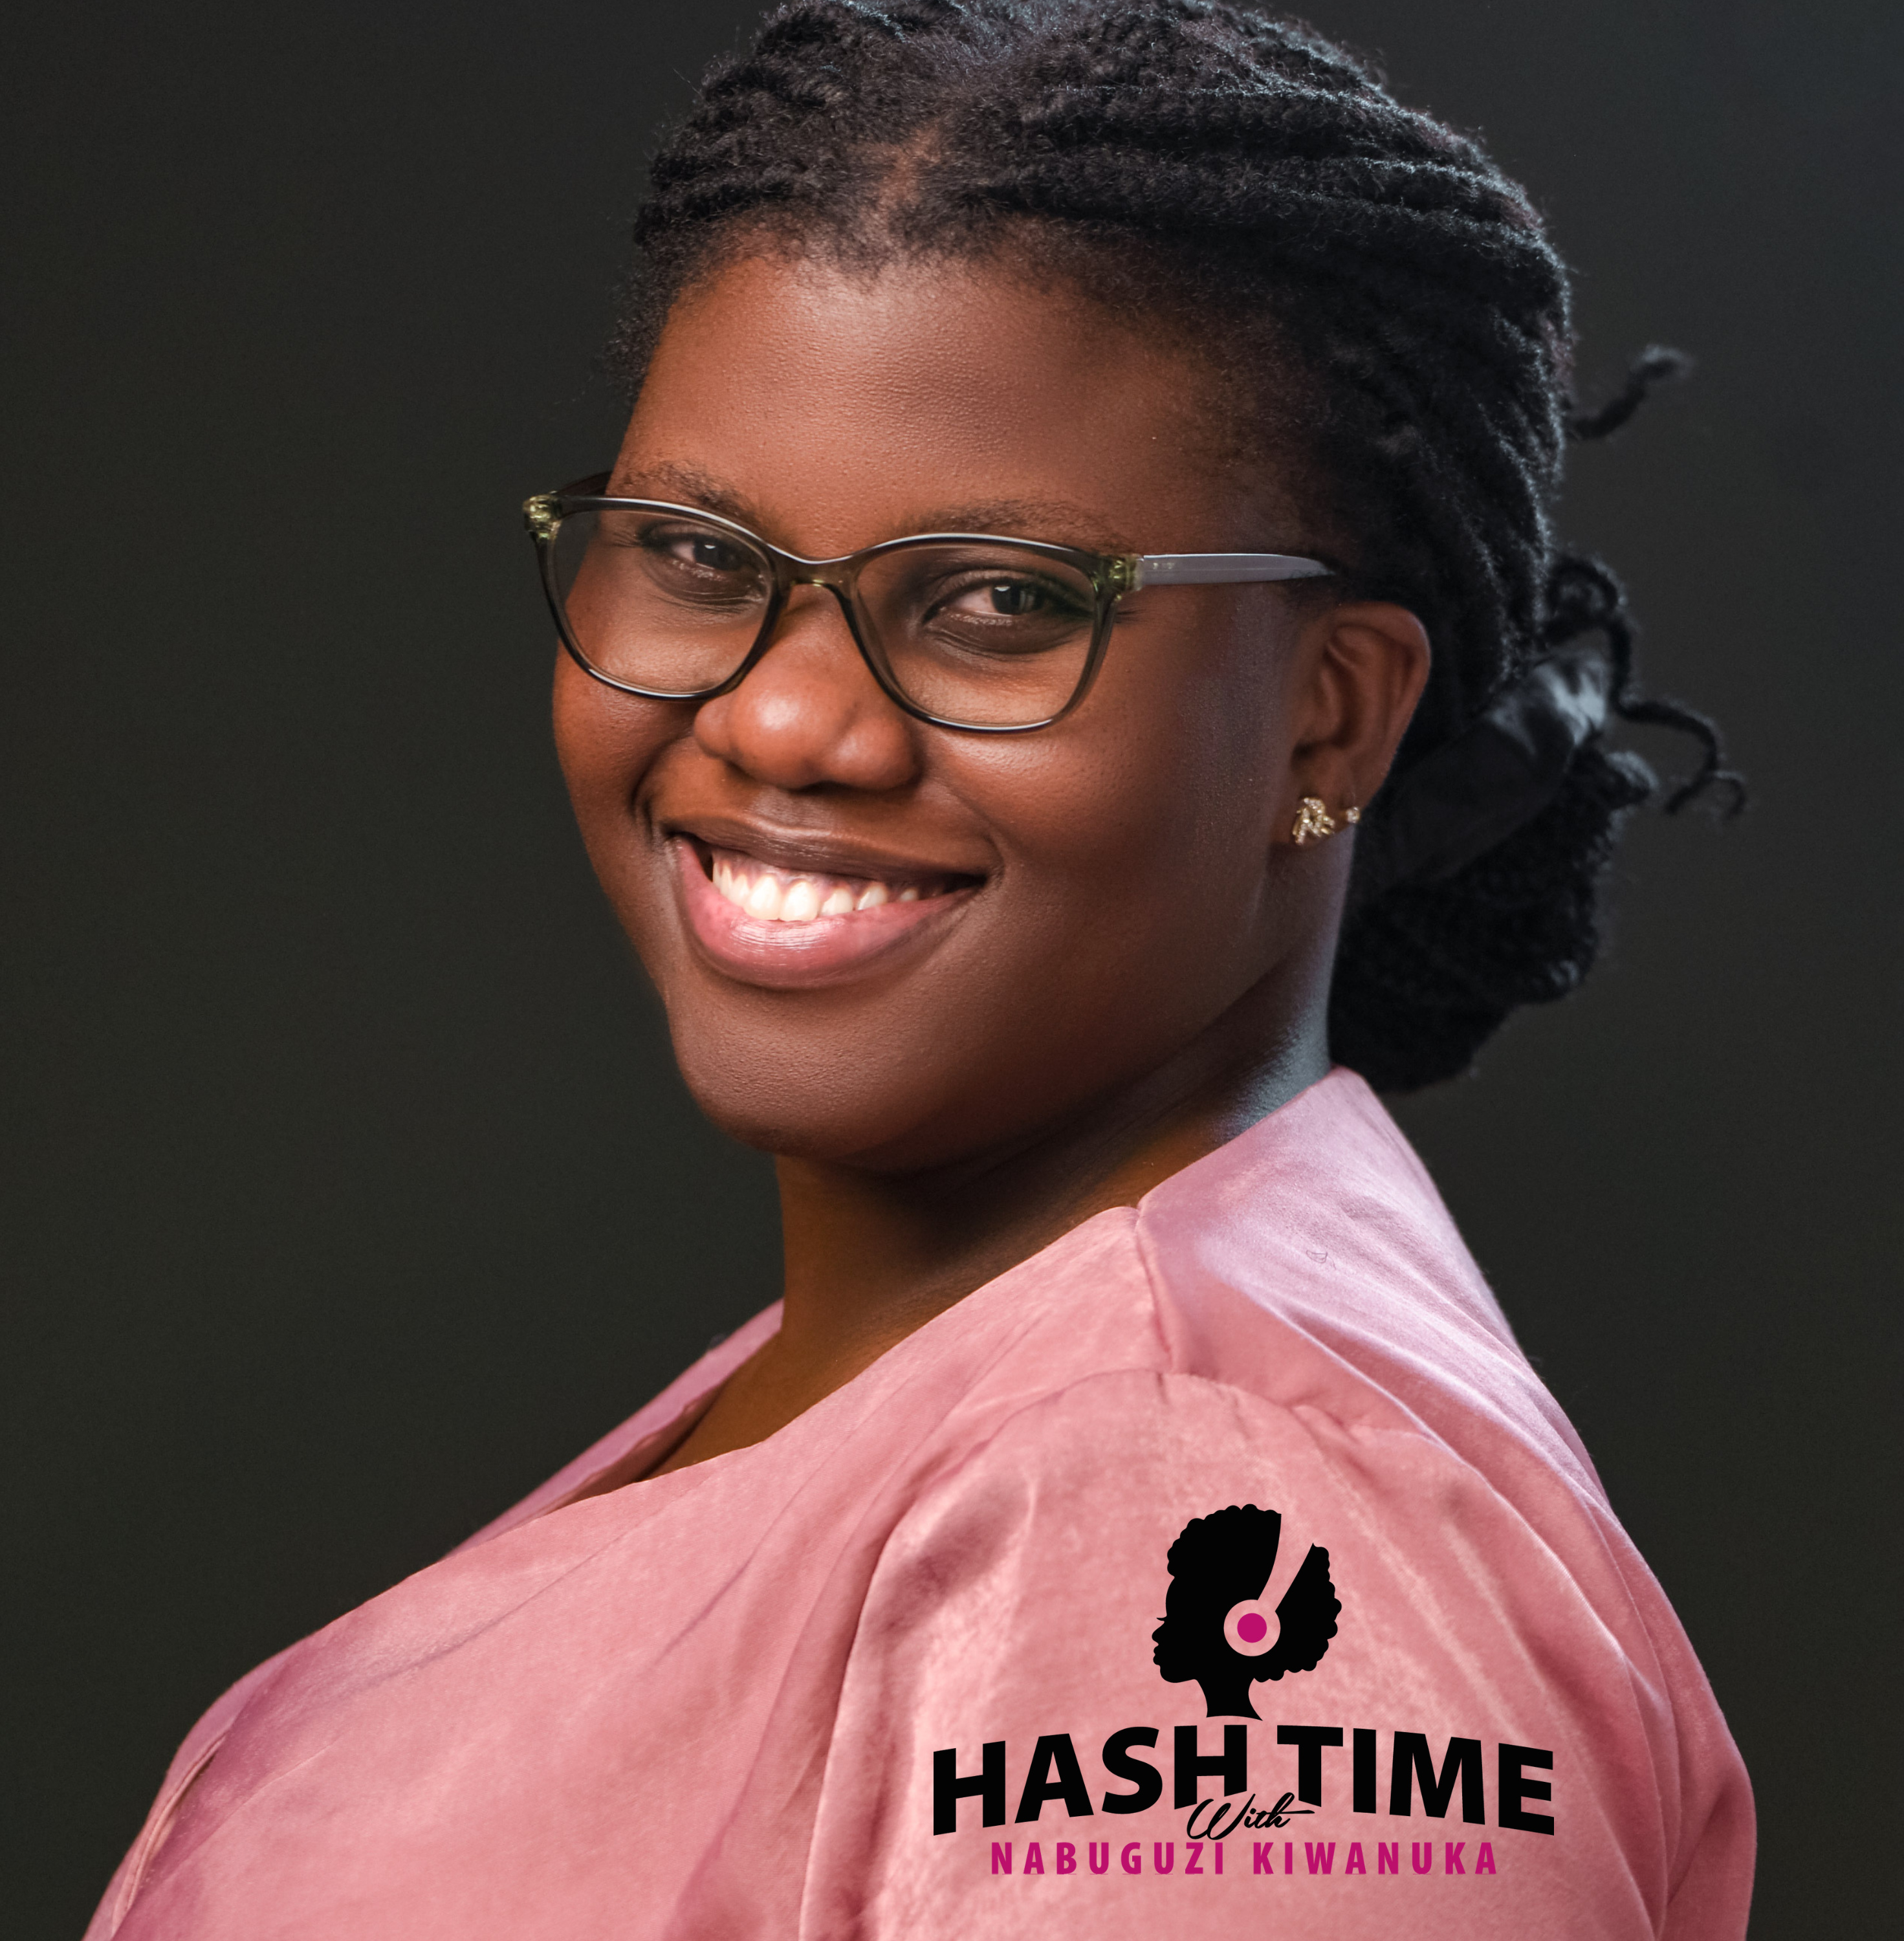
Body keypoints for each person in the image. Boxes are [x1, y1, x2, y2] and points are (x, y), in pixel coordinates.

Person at [84, 3, 1755, 1936]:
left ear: (1333, 716)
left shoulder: (1212, 1518)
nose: (787, 720)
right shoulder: (986, 1391)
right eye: (698, 559)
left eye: (999, 603)